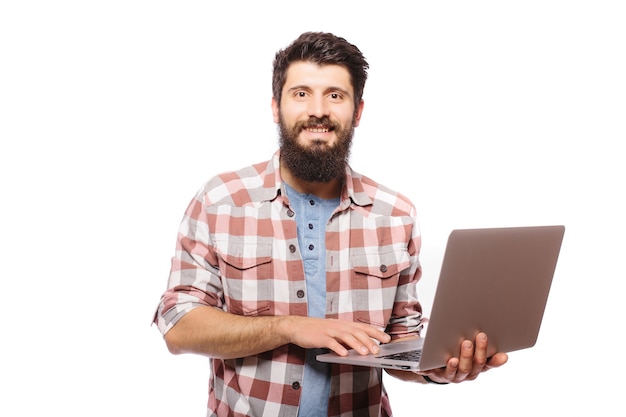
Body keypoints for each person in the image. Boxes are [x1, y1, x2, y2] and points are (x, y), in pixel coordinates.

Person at [153, 31, 508, 417]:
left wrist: (437, 368)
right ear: (276, 107)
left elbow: (400, 342)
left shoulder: (394, 214)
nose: (318, 110)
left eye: (335, 95)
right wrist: (289, 328)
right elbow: (178, 324)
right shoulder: (221, 200)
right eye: (301, 93)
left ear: (357, 112)